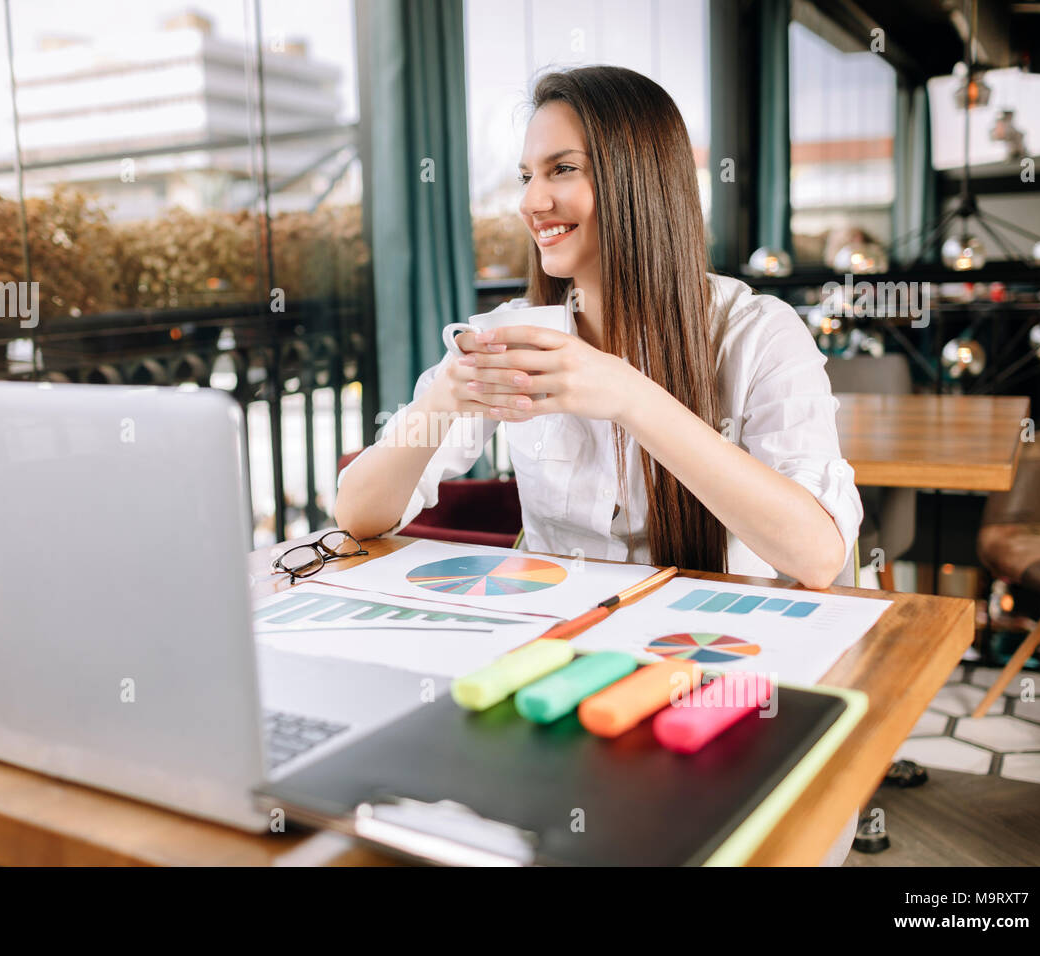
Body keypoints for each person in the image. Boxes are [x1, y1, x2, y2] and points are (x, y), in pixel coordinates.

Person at [333, 66, 864, 864]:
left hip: (720, 678)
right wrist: (443, 394)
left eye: (561, 170)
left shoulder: (758, 333)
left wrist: (633, 397)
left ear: (638, 179)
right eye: (525, 176)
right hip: (559, 677)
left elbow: (819, 555)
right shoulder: (515, 333)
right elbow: (358, 513)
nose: (531, 201)